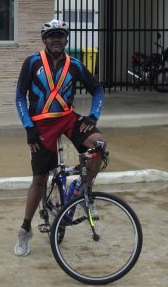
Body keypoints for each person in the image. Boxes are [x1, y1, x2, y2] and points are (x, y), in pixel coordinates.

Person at [13, 19, 105, 257]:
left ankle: (81, 191)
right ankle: (25, 230)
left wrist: (93, 116)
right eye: (52, 35)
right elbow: (20, 97)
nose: (56, 39)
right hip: (41, 125)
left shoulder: (74, 65)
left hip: (67, 117)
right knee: (39, 179)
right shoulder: (32, 62)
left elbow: (97, 89)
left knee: (98, 147)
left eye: (61, 35)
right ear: (44, 39)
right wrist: (28, 127)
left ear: (66, 39)